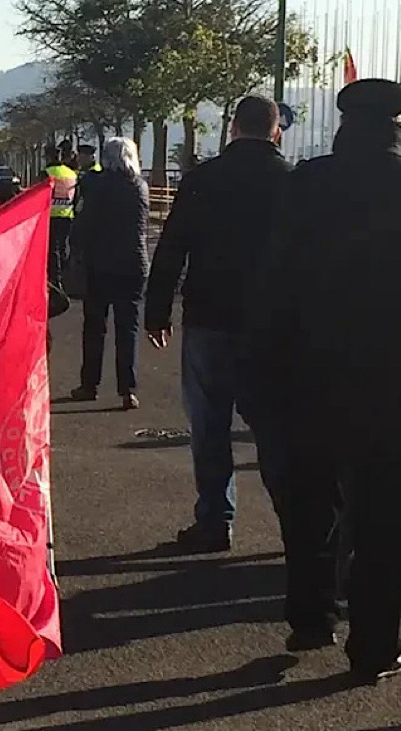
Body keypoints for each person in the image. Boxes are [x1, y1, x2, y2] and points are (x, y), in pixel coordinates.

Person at [253, 79, 401, 683]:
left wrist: (265, 368)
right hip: (388, 381)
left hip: (307, 374)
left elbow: (274, 281)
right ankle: (374, 645)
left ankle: (310, 616)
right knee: (384, 518)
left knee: (310, 504)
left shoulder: (305, 183)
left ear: (343, 126)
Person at [143, 95, 293, 553]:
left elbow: (172, 248)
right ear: (275, 131)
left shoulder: (203, 180)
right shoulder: (292, 182)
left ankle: (215, 518)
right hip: (272, 324)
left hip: (209, 315)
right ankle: (296, 524)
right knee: (274, 427)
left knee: (209, 424)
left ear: (232, 128)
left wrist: (157, 311)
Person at [69, 137, 149, 411]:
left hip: (99, 263)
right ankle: (128, 389)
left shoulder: (95, 184)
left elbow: (83, 221)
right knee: (128, 327)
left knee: (95, 327)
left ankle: (89, 384)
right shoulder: (140, 187)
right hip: (133, 264)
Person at [42, 145, 78, 291]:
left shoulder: (46, 173)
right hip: (67, 215)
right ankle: (64, 276)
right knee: (63, 248)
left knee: (52, 250)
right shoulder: (71, 173)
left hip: (50, 216)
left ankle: (55, 280)